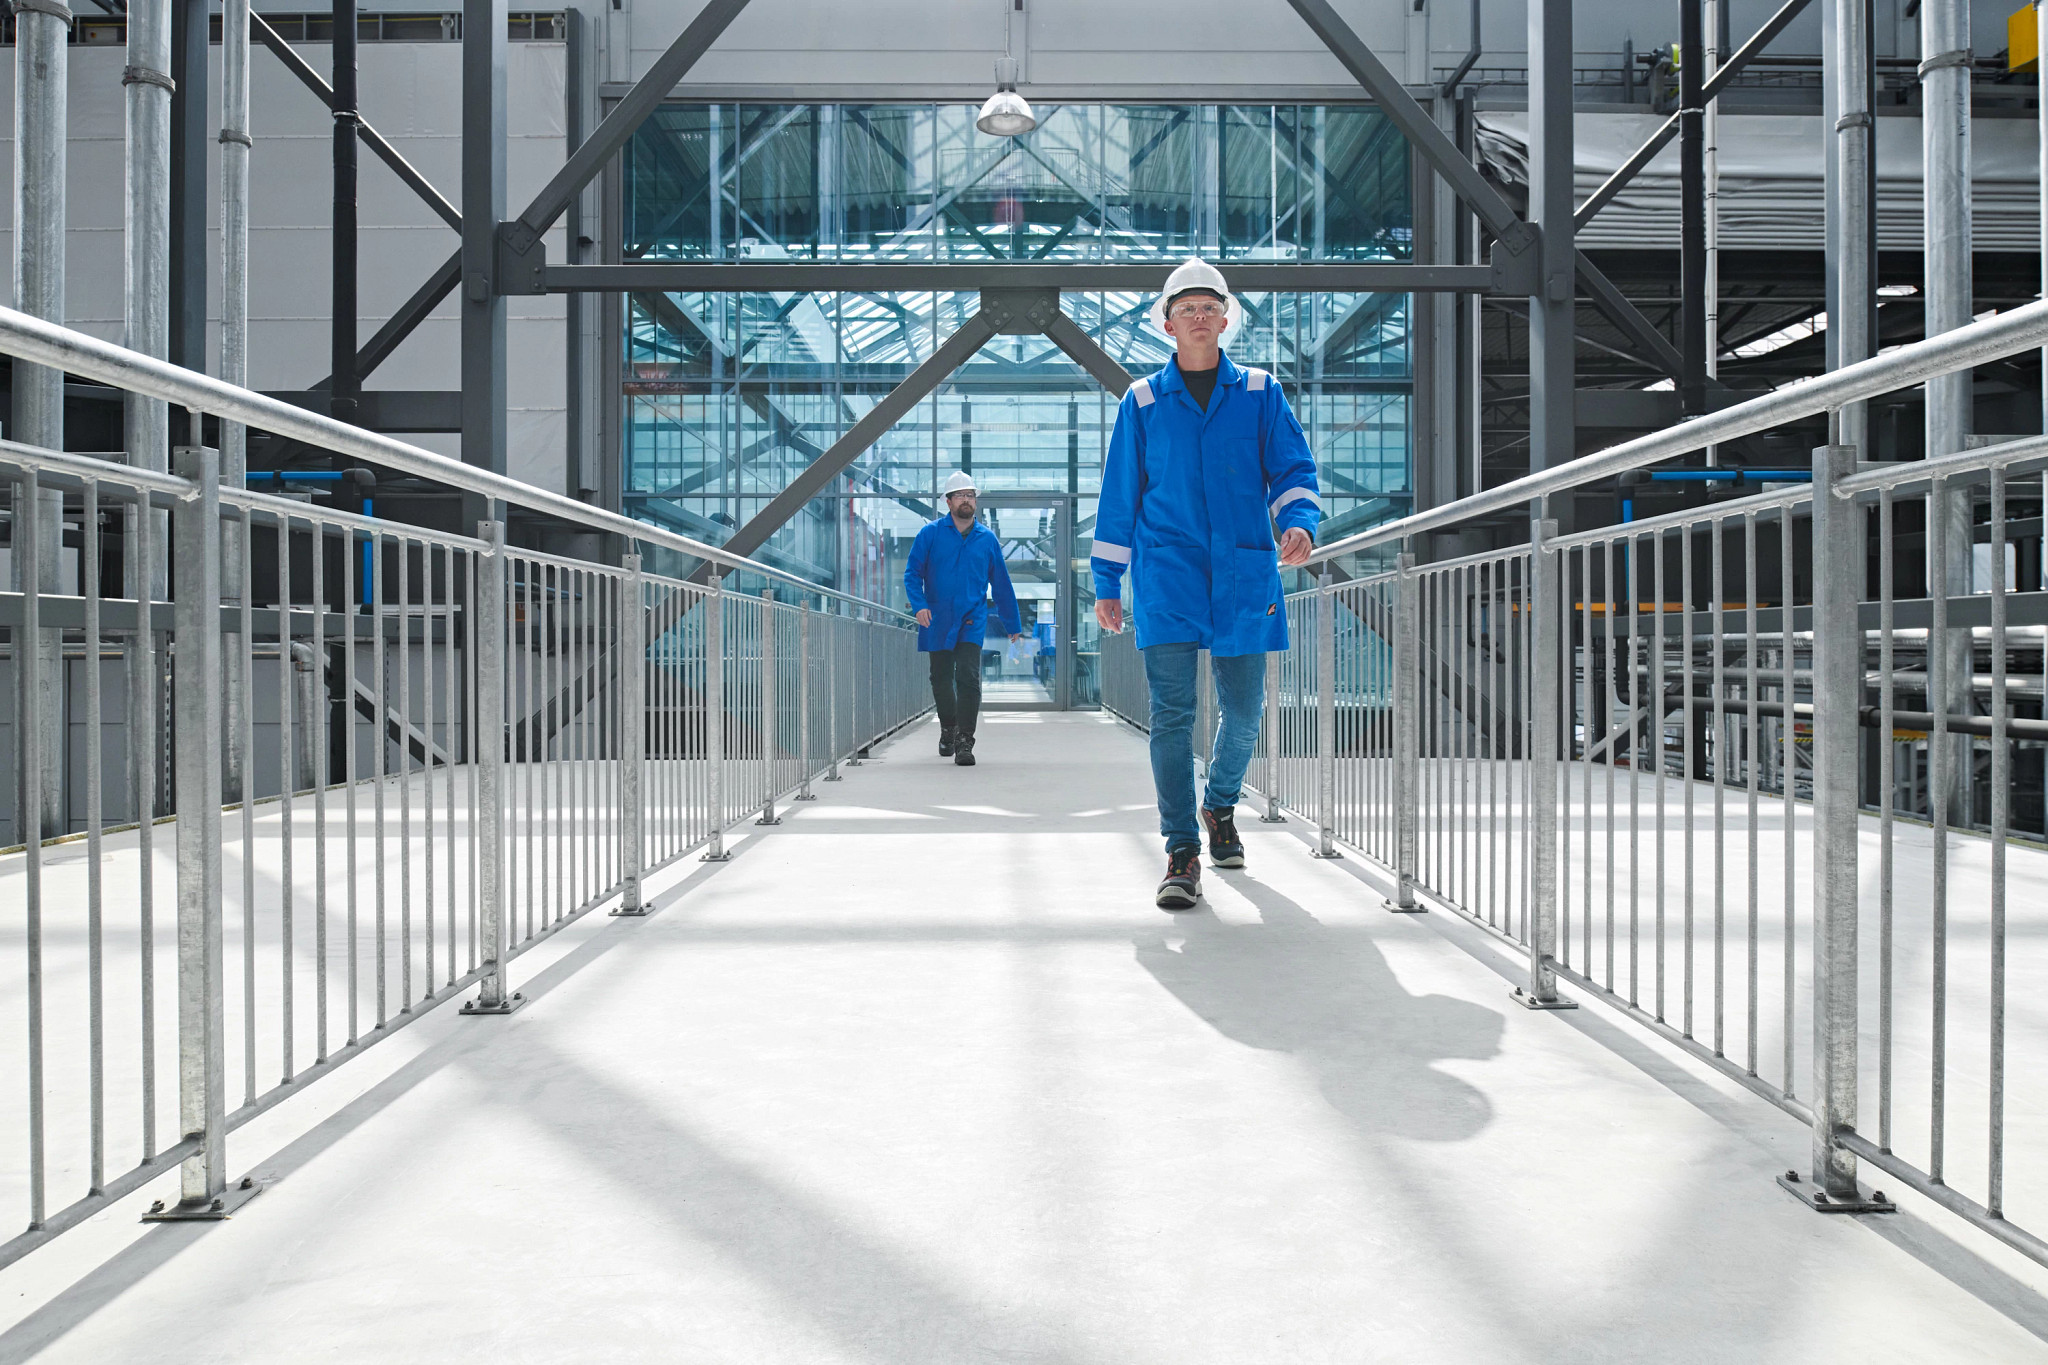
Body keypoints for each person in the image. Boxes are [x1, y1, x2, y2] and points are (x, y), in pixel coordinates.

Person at [1092, 258, 1320, 909]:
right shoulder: (1140, 402)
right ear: (1167, 324)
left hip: (1245, 574)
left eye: (1208, 306)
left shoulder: (1259, 392)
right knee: (1172, 716)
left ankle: (1219, 804)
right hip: (1167, 575)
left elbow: (1292, 467)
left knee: (1245, 709)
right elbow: (1118, 499)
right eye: (1185, 307)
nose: (1198, 315)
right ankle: (1181, 847)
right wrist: (1108, 581)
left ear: (1225, 319)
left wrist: (1299, 522)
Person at [904, 471, 1024, 767]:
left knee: (968, 677)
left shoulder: (987, 539)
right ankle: (948, 727)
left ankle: (964, 741)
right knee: (940, 677)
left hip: (972, 617)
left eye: (971, 495)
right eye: (960, 495)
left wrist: (1013, 624)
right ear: (948, 501)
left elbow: (1002, 583)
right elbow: (912, 574)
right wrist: (918, 605)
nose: (967, 500)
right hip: (937, 618)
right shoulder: (929, 534)